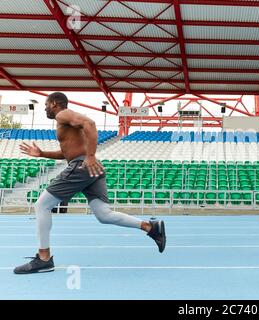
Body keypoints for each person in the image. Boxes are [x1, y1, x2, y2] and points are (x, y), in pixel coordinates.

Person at [14, 92, 166, 274]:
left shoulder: (63, 114)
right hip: (91, 168)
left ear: (54, 103)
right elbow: (67, 153)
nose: (45, 108)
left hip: (83, 165)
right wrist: (43, 154)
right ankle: (150, 227)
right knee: (104, 214)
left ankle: (44, 258)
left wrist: (91, 156)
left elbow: (90, 124)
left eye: (46, 104)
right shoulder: (66, 123)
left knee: (42, 205)